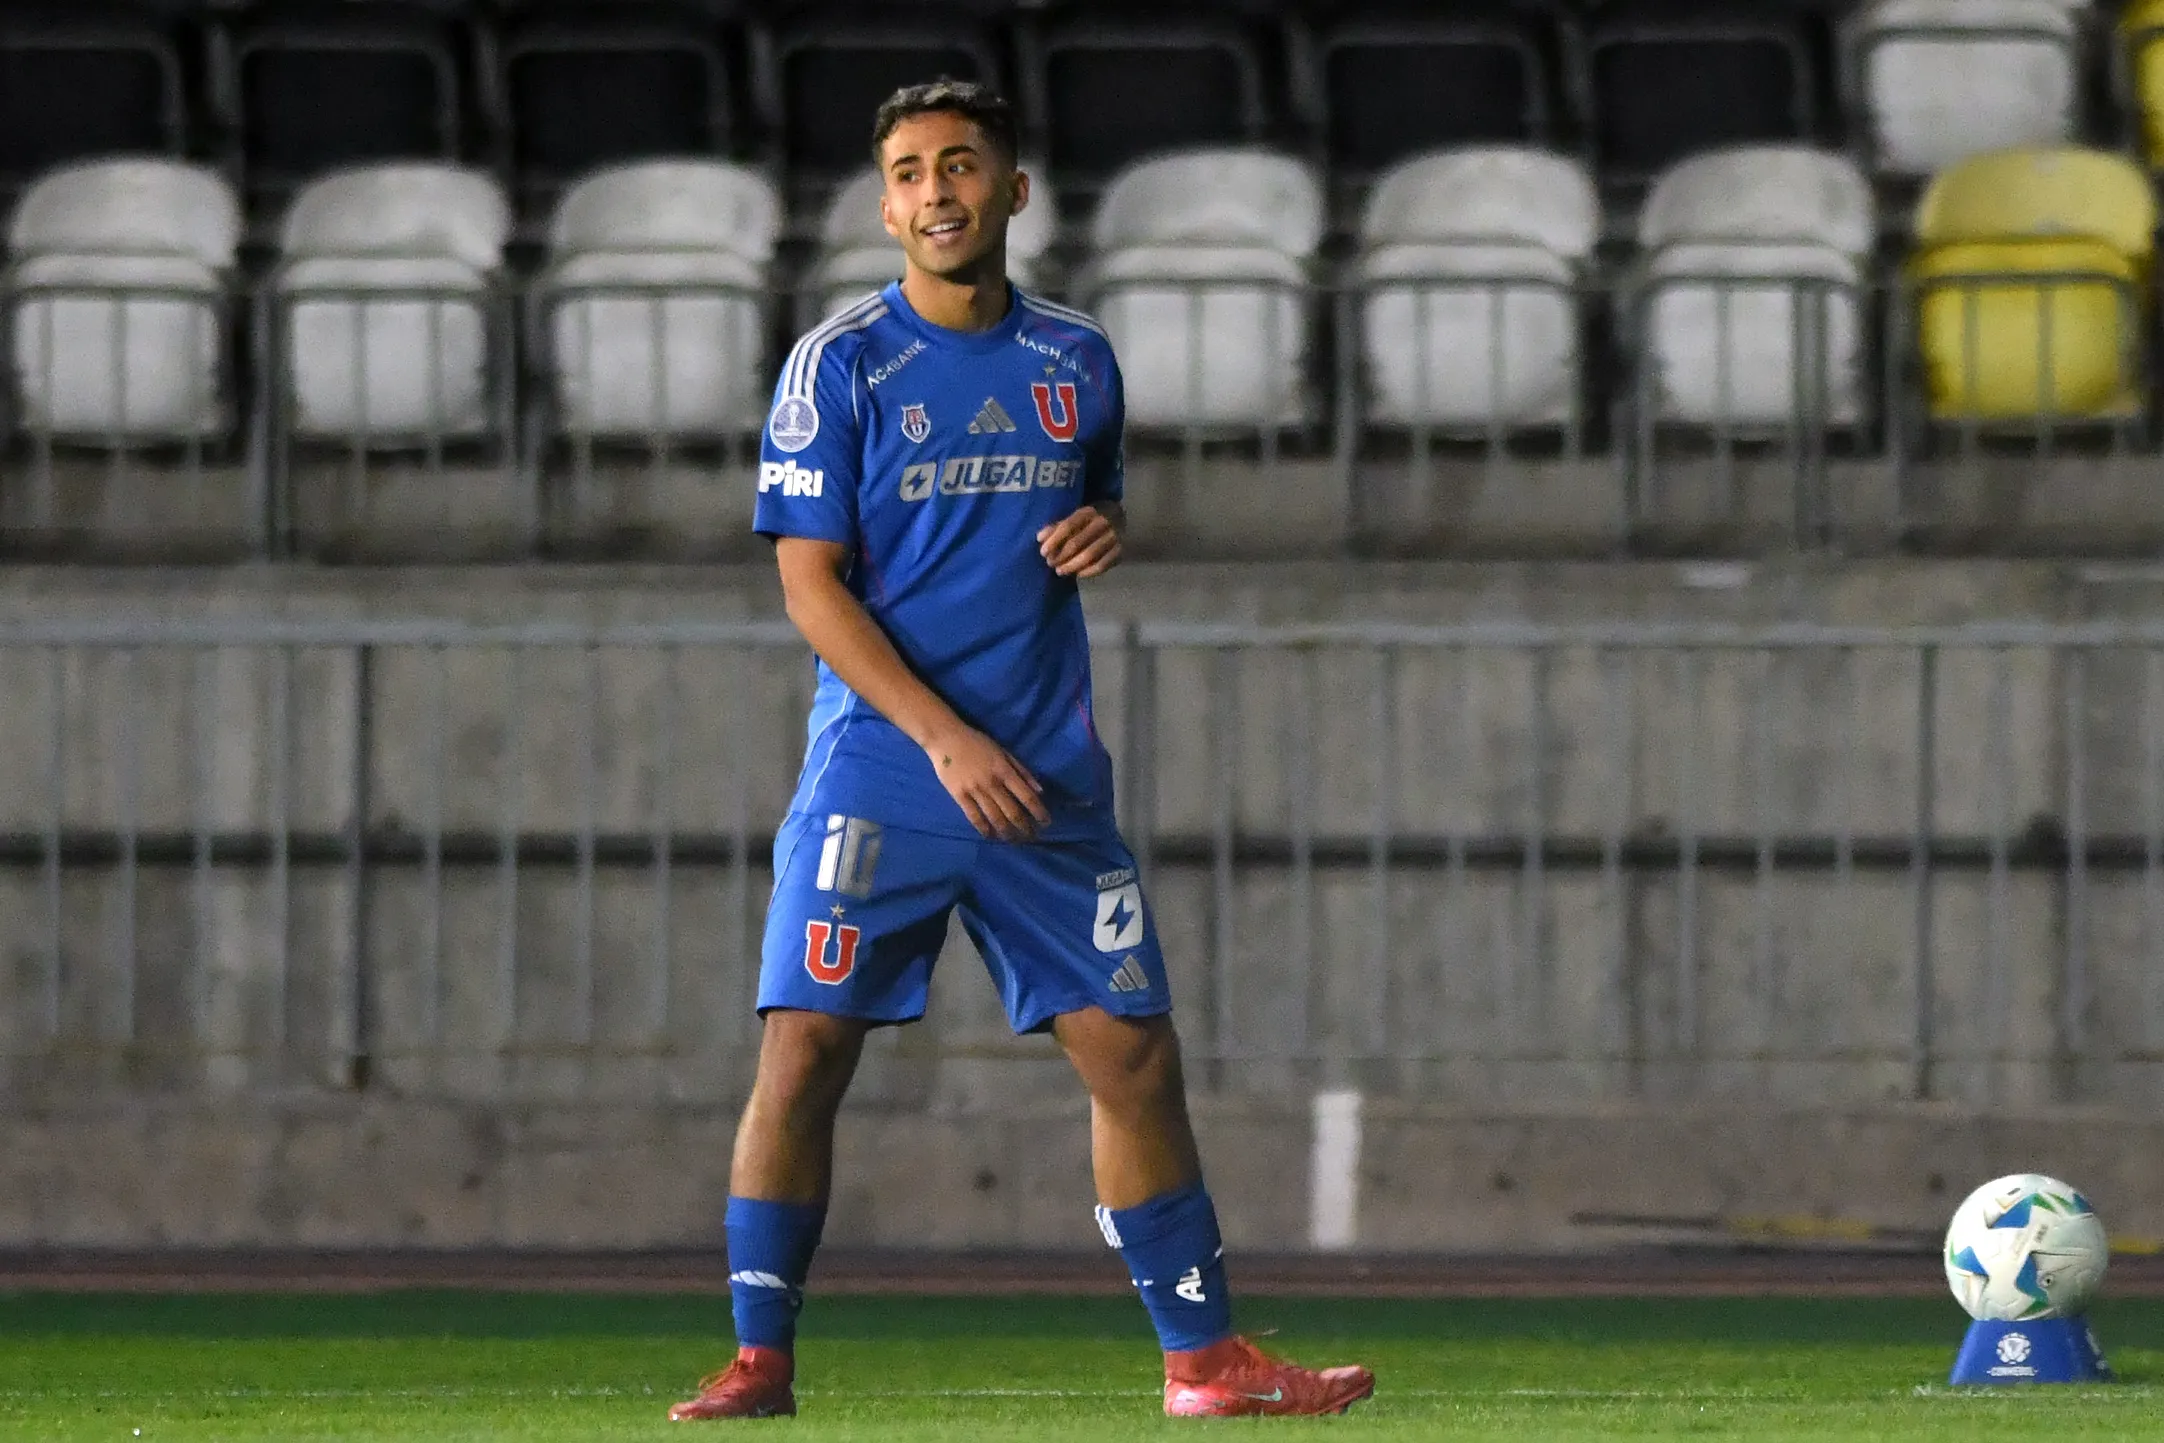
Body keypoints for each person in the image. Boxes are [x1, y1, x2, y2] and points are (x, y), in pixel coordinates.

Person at [668, 79, 1375, 1422]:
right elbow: (811, 586)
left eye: (960, 166)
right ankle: (761, 1358)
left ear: (1013, 191)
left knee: (1134, 1054)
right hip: (890, 764)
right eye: (910, 173)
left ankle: (1204, 1360)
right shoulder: (842, 365)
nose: (936, 192)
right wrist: (941, 738)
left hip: (1043, 774)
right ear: (886, 206)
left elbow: (1091, 503)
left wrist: (1102, 533)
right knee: (805, 1047)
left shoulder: (1076, 360)